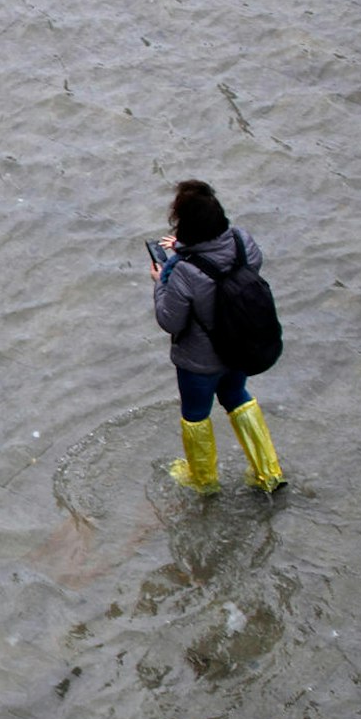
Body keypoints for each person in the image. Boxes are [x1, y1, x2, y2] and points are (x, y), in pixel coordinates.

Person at [150, 180, 285, 494]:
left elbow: (169, 320)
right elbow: (225, 264)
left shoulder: (183, 271)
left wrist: (161, 280)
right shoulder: (243, 242)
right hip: (239, 348)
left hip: (200, 362)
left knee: (196, 415)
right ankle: (268, 472)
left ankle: (204, 481)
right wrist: (181, 251)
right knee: (237, 398)